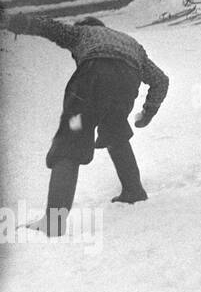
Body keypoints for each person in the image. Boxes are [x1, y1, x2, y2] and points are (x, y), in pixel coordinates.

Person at [2, 12, 168, 235]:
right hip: (125, 84)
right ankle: (134, 191)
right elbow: (161, 80)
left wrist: (13, 21)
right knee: (115, 131)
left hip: (92, 79)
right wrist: (148, 112)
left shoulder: (81, 32)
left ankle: (54, 222)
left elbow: (49, 27)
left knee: (70, 144)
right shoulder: (131, 43)